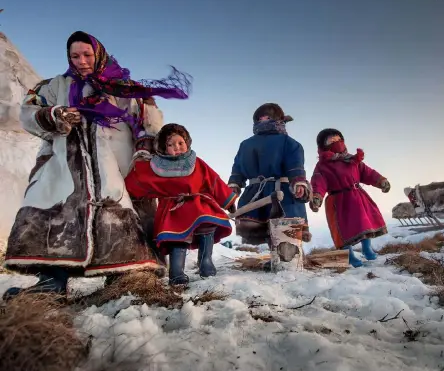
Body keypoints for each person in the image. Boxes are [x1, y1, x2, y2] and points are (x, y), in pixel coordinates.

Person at [2, 30, 191, 299]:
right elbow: (28, 113)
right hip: (65, 164)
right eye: (75, 56)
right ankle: (52, 281)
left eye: (87, 55)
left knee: (119, 216)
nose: (81, 61)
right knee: (54, 211)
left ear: (98, 54)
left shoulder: (126, 89)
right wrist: (58, 115)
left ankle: (123, 278)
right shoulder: (54, 86)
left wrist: (144, 150)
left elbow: (149, 123)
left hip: (115, 165)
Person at [124, 123, 237, 285]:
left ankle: (205, 263)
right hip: (173, 209)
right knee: (177, 238)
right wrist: (124, 190)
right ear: (163, 148)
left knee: (207, 227)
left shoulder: (196, 162)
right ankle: (176, 273)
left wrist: (228, 201)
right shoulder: (156, 166)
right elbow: (140, 179)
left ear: (187, 142)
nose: (176, 147)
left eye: (180, 143)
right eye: (170, 145)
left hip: (198, 204)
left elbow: (213, 181)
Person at [228, 103, 312, 269]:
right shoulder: (246, 144)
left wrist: (298, 181)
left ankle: (288, 261)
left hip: (282, 192)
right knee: (265, 227)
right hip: (257, 193)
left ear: (279, 120)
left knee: (285, 227)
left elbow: (295, 166)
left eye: (268, 117)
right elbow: (238, 168)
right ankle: (276, 258)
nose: (263, 121)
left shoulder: (289, 143)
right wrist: (234, 186)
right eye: (260, 118)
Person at [309, 128, 390, 268]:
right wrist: (317, 197)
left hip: (357, 197)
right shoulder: (323, 165)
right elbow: (319, 182)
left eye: (338, 139)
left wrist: (381, 181)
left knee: (364, 223)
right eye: (331, 140)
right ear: (323, 146)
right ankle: (350, 256)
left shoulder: (352, 160)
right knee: (343, 230)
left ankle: (367, 249)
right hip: (338, 201)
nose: (336, 142)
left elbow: (367, 173)